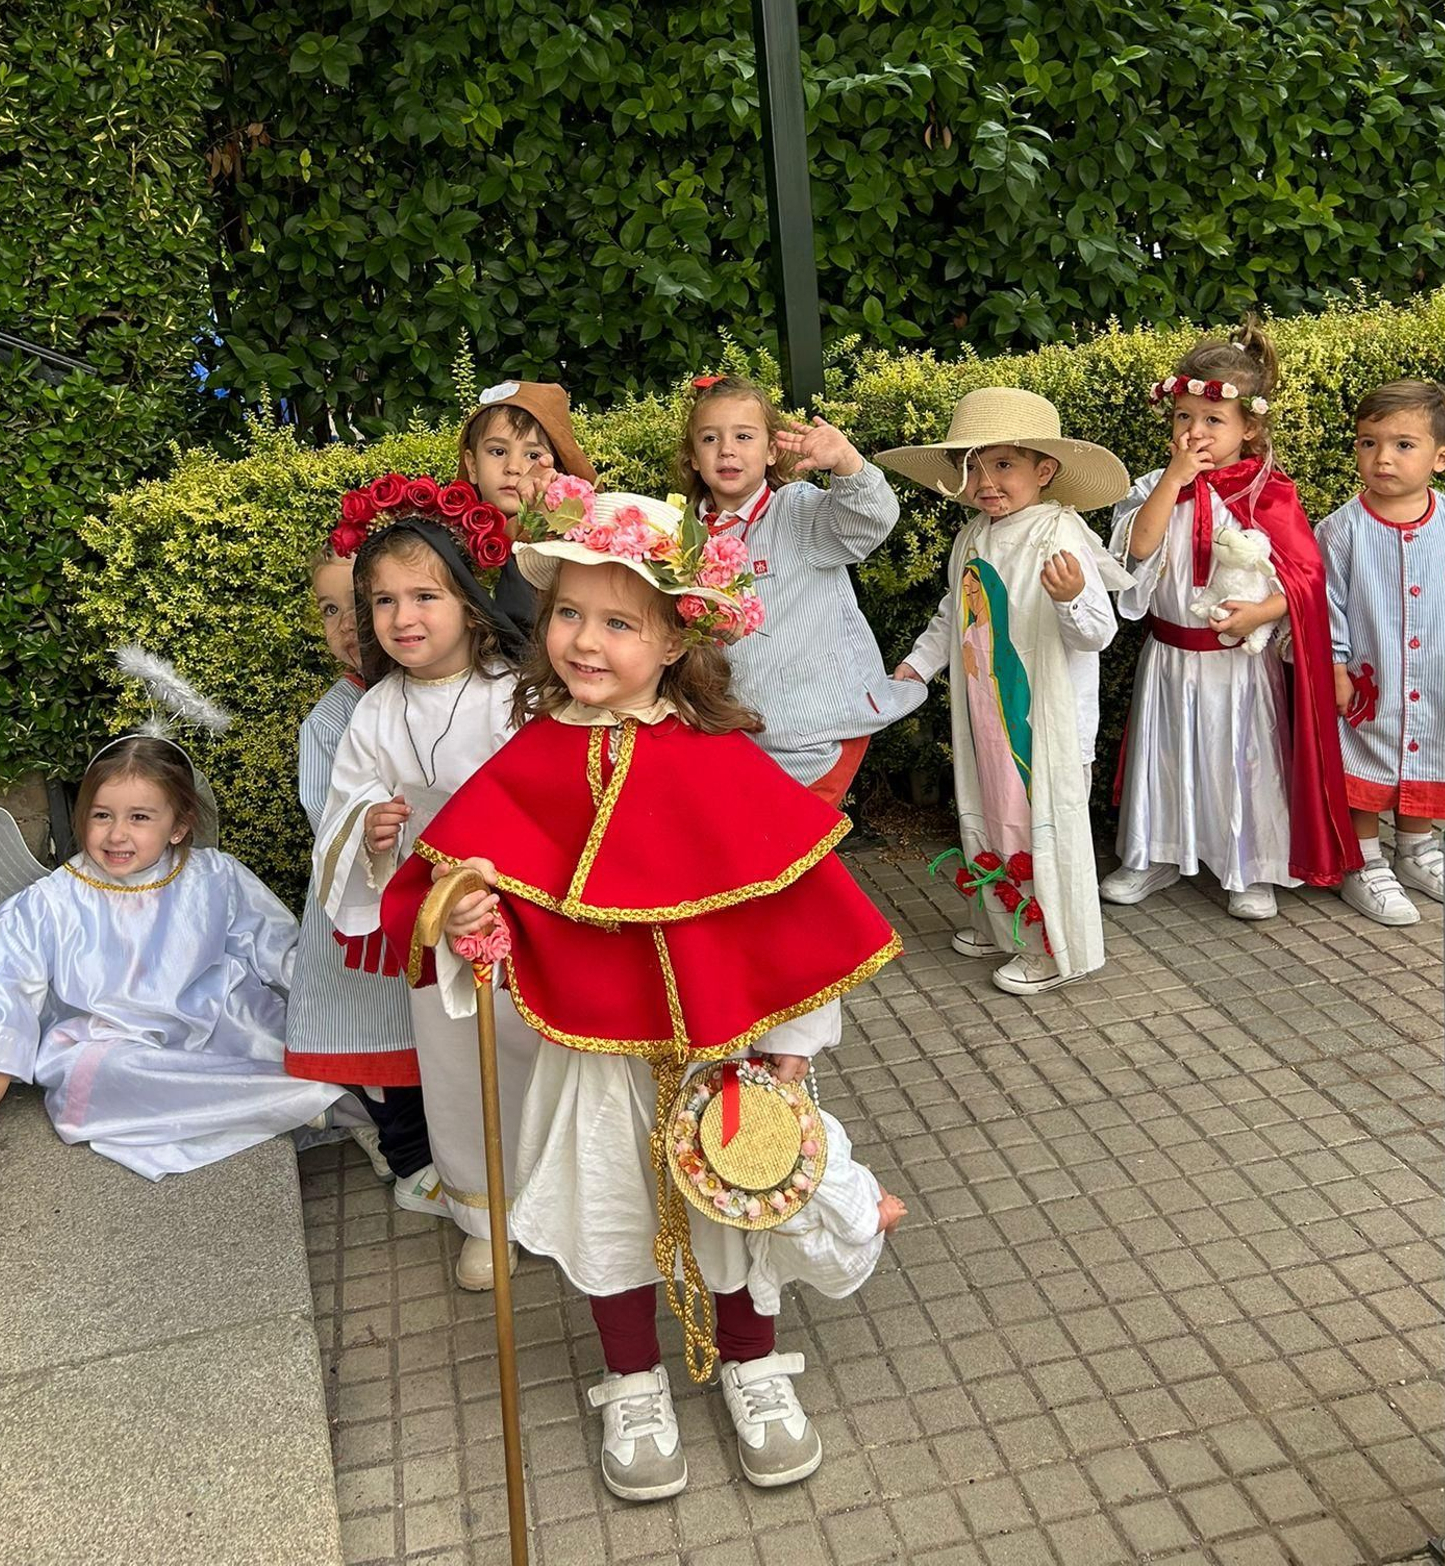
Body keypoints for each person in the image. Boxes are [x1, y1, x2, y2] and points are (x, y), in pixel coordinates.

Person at [378, 485, 906, 1503]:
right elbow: (445, 884)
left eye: (619, 622)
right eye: (569, 614)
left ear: (672, 641)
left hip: (724, 1057)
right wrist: (468, 918)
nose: (585, 640)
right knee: (606, 1212)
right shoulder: (529, 759)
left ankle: (752, 1364)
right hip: (593, 1056)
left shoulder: (718, 762)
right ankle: (629, 1380)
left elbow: (796, 915)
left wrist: (792, 1042)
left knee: (739, 1210)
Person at [0, 735, 339, 1178]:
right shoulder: (51, 901)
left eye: (140, 817)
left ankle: (305, 1093)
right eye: (101, 815)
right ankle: (308, 1100)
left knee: (274, 1037)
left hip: (212, 1020)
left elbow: (275, 944)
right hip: (109, 1037)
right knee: (88, 1073)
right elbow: (5, 973)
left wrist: (331, 1000)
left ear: (179, 826)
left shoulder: (213, 876)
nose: (117, 834)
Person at [317, 474, 535, 1291]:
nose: (403, 619)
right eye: (382, 601)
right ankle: (484, 1215)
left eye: (425, 595)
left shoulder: (517, 695)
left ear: (472, 600)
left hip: (525, 914)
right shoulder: (376, 711)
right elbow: (350, 803)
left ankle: (556, 1200)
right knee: (455, 1068)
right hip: (438, 925)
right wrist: (370, 830)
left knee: (543, 1058)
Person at [1102, 324, 1362, 920]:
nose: (1195, 431)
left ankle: (1250, 865)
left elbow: (1305, 581)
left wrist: (1262, 613)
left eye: (1214, 420)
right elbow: (1137, 551)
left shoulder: (1269, 493)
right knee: (1165, 757)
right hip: (1169, 660)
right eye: (1184, 417)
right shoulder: (1151, 487)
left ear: (1250, 427)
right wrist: (1174, 479)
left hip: (1239, 665)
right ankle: (1155, 852)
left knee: (1243, 761)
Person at [878, 390, 1131, 995]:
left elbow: (1098, 632)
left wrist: (1072, 598)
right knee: (995, 816)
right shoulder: (974, 536)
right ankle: (1002, 919)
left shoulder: (1057, 535)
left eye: (1002, 465)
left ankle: (1052, 949)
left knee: (1039, 824)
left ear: (1045, 471)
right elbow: (954, 614)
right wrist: (917, 666)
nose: (984, 481)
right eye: (971, 467)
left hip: (1044, 722)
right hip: (987, 714)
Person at [285, 541, 447, 1211]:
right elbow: (326, 811)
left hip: (437, 899)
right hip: (367, 910)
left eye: (361, 601)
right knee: (383, 1042)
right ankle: (409, 1159)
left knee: (435, 1036)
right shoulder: (330, 718)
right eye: (331, 609)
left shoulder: (438, 688)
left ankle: (442, 1147)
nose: (348, 623)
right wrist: (368, 824)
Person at [675, 375, 919, 803]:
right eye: (710, 438)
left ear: (772, 450)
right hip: (740, 732)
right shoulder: (682, 533)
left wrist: (846, 463)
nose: (727, 449)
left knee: (792, 853)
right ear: (694, 457)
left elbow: (870, 521)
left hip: (819, 732)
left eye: (744, 436)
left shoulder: (797, 511)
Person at [1316, 378, 1445, 917]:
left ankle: (1417, 849)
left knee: (1432, 748)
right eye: (1368, 442)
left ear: (1441, 457)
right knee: (1362, 759)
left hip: (1439, 678)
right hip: (1370, 679)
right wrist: (1335, 665)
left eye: (1403, 445)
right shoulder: (1340, 531)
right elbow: (1326, 606)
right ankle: (1363, 858)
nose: (1382, 458)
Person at [458, 379, 596, 631]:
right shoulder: (451, 538)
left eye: (533, 456)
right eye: (498, 452)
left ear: (558, 470)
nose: (513, 467)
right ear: (472, 466)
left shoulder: (575, 541)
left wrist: (537, 521)